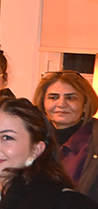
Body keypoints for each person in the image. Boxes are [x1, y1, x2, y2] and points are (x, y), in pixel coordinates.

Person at [33, 70, 98, 201]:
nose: (61, 104)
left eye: (71, 98)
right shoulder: (32, 138)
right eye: (53, 97)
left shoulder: (93, 142)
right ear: (43, 104)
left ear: (85, 105)